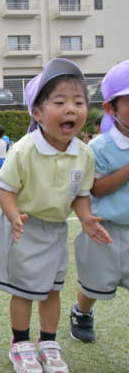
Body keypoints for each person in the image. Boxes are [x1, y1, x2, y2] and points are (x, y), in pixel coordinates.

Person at [0, 58, 111, 373]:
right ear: (37, 113)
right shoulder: (24, 150)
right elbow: (4, 188)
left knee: (52, 289)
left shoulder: (84, 153)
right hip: (24, 227)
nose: (71, 109)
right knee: (23, 291)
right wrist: (14, 216)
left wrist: (86, 218)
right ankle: (20, 344)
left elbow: (81, 194)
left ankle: (48, 343)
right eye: (60, 102)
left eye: (78, 102)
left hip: (56, 230)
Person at [70, 60, 129, 343]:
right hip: (103, 229)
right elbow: (96, 189)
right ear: (110, 108)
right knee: (94, 283)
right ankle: (82, 311)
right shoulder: (100, 146)